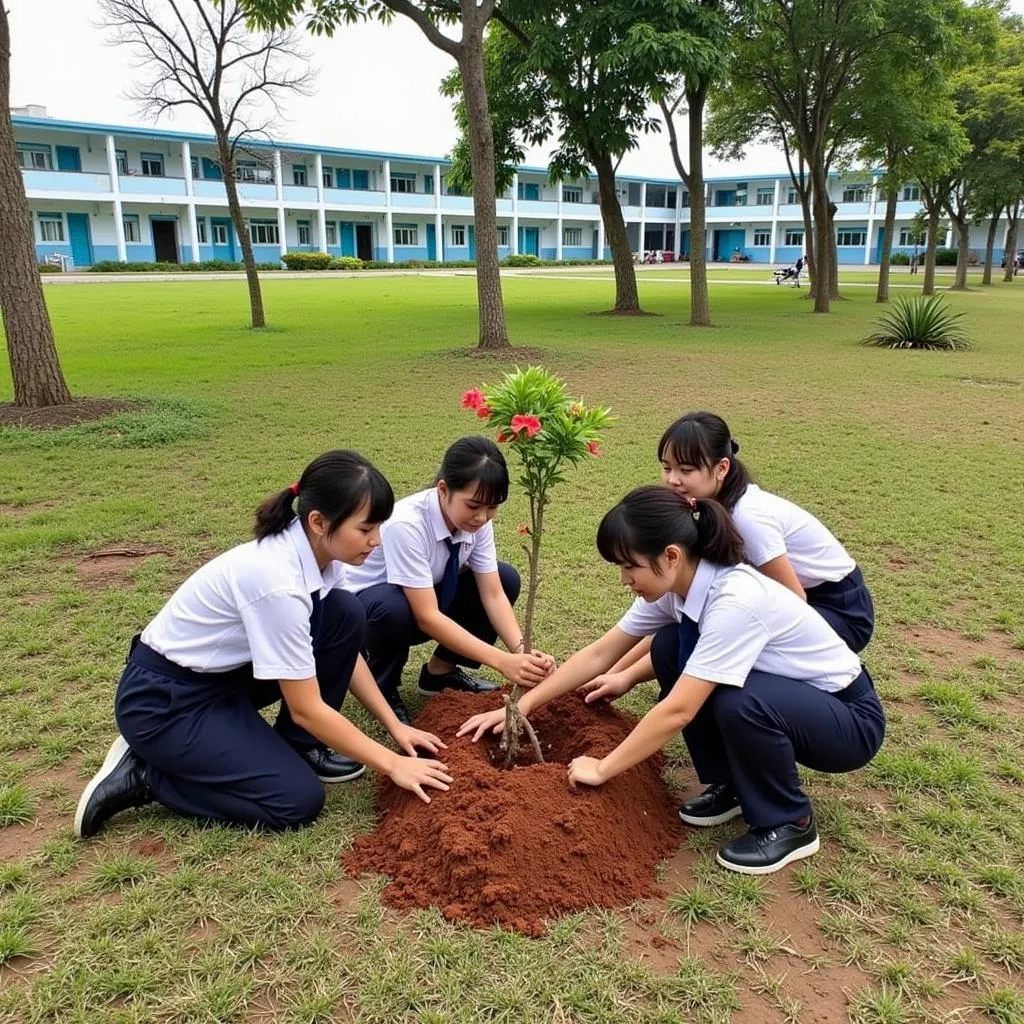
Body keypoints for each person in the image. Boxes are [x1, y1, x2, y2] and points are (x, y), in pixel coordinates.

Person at [458, 487, 885, 875]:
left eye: (630, 566)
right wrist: (525, 705)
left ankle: (789, 821)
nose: (625, 580)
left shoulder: (734, 600)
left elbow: (679, 709)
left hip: (848, 720)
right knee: (667, 649)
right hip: (797, 700)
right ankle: (733, 786)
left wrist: (602, 768)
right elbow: (601, 653)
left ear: (672, 556)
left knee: (739, 701)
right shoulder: (677, 589)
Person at [74, 451, 452, 839]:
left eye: (380, 527)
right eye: (366, 528)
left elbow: (344, 651)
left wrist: (394, 726)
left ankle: (297, 748)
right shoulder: (278, 582)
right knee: (294, 800)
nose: (376, 541)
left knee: (344, 612)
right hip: (165, 703)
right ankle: (147, 774)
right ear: (319, 522)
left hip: (226, 680)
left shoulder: (324, 555)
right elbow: (306, 708)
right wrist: (392, 764)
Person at [345, 436, 554, 724]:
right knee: (393, 607)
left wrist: (522, 653)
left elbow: (492, 593)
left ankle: (439, 673)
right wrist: (501, 661)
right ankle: (382, 688)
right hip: (368, 615)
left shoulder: (477, 522)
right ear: (443, 490)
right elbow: (427, 616)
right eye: (474, 505)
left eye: (492, 507)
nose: (482, 517)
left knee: (506, 578)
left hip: (424, 596)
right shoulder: (407, 524)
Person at [654, 412, 873, 652]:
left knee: (734, 638)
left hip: (839, 610)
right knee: (677, 639)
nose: (672, 479)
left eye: (686, 470)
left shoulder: (746, 517)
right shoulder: (711, 508)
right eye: (667, 468)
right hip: (803, 601)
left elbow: (795, 601)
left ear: (721, 468)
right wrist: (622, 675)